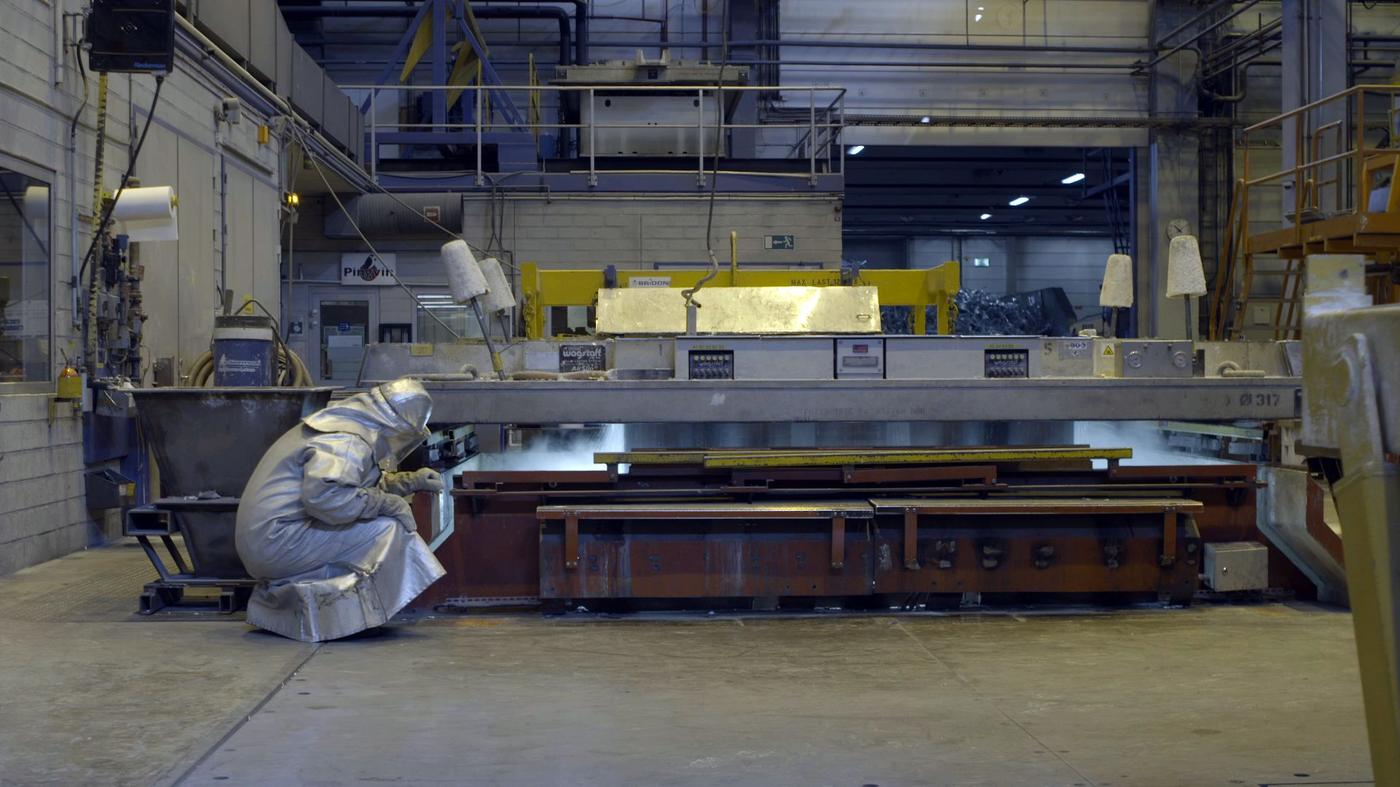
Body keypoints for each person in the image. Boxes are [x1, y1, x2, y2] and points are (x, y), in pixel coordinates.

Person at [235, 378, 447, 642]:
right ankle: (346, 617)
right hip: (277, 544)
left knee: (377, 517)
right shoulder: (347, 441)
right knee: (388, 529)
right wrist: (387, 504)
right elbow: (328, 498)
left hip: (269, 539)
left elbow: (353, 483)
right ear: (395, 427)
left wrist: (409, 482)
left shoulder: (344, 428)